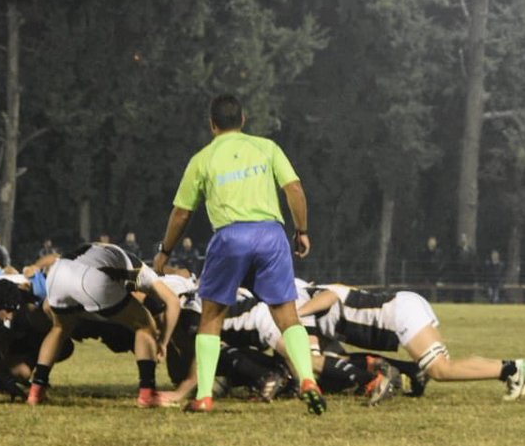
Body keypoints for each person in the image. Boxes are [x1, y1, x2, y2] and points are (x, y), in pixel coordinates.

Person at [152, 93, 324, 415]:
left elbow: (181, 214)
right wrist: (301, 231)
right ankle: (307, 380)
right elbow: (295, 189)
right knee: (287, 314)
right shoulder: (267, 148)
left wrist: (165, 252)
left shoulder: (202, 159)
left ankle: (204, 395)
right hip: (272, 235)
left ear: (212, 124)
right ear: (243, 120)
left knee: (212, 316)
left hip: (230, 236)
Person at [296, 283, 525, 401]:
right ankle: (415, 372)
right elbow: (331, 358)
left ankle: (511, 369)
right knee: (441, 364)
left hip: (400, 313)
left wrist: (298, 313)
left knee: (441, 369)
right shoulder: (311, 304)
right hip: (403, 306)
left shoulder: (309, 298)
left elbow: (331, 295)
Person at [27, 242, 182, 407]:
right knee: (144, 324)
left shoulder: (102, 253)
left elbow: (47, 306)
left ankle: (36, 391)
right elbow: (173, 301)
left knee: (59, 328)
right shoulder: (144, 274)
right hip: (89, 278)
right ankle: (148, 393)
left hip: (57, 273)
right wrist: (163, 342)